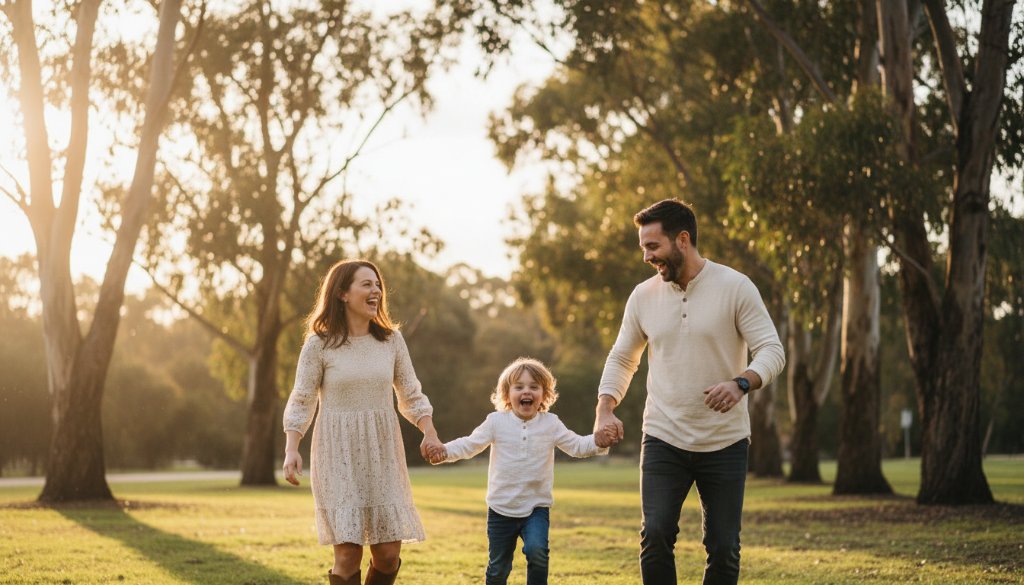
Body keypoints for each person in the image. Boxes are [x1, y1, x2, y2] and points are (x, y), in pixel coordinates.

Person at [594, 199, 786, 585]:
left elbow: (772, 349)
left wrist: (741, 382)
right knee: (656, 533)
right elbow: (622, 358)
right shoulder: (643, 297)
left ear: (682, 240)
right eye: (643, 247)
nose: (647, 256)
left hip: (725, 441)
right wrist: (605, 407)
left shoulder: (735, 287)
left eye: (653, 246)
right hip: (664, 435)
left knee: (723, 545)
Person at [282, 259, 444, 585]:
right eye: (366, 284)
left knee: (388, 554)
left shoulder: (391, 341)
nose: (376, 291)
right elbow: (302, 398)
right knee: (347, 553)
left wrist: (429, 431)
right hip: (336, 453)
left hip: (383, 452)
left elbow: (410, 393)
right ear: (342, 293)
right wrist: (292, 448)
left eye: (377, 284)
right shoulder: (319, 344)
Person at [427, 357, 617, 585]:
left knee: (537, 552)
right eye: (519, 387)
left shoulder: (551, 423)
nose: (526, 391)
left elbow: (576, 446)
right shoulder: (496, 422)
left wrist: (598, 441)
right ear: (507, 395)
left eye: (534, 387)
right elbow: (469, 444)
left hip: (536, 507)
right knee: (498, 568)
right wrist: (444, 451)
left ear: (544, 395)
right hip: (500, 509)